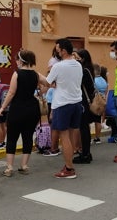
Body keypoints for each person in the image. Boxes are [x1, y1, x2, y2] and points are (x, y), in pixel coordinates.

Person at [0, 50, 45, 177]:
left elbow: (11, 93)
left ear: (22, 60)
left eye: (17, 59)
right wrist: (42, 90)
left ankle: (9, 167)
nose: (16, 62)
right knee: (27, 137)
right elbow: (49, 83)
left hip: (17, 108)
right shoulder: (36, 74)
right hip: (32, 109)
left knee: (12, 137)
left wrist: (2, 107)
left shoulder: (17, 74)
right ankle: (24, 166)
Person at [46, 38, 83, 178]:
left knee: (64, 136)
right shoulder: (78, 65)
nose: (57, 52)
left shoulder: (58, 66)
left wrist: (38, 76)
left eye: (58, 50)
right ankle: (69, 163)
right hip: (76, 102)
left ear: (64, 50)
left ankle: (69, 168)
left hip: (62, 104)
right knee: (72, 134)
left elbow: (48, 82)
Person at [73, 49, 99, 164]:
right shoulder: (88, 69)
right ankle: (86, 152)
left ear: (82, 59)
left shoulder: (84, 71)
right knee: (85, 128)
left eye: (77, 57)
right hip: (85, 101)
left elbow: (78, 83)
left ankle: (85, 154)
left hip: (84, 102)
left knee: (84, 128)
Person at [92, 63, 107, 144]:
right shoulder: (104, 80)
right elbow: (105, 90)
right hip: (102, 101)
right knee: (98, 120)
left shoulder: (94, 80)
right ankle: (98, 138)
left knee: (90, 120)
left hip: (95, 101)